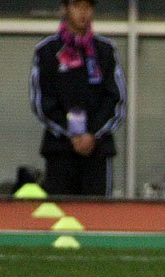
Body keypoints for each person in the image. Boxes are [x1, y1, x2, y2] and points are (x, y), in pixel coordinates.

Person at [30, 0, 126, 197]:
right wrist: (71, 134)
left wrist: (92, 134)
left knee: (98, 213)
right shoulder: (47, 51)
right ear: (64, 9)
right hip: (60, 150)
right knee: (59, 211)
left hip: (98, 150)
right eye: (77, 6)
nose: (83, 13)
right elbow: (41, 102)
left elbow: (116, 99)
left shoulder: (105, 50)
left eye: (87, 7)